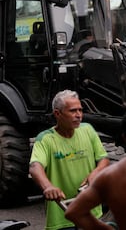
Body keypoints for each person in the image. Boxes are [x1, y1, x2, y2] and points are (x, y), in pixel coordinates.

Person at [29, 90, 110, 230]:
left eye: (80, 110)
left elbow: (103, 158)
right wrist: (48, 187)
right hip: (61, 215)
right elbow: (35, 166)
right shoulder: (45, 139)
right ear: (57, 114)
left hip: (92, 212)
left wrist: (96, 172)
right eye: (73, 111)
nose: (78, 115)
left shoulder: (88, 130)